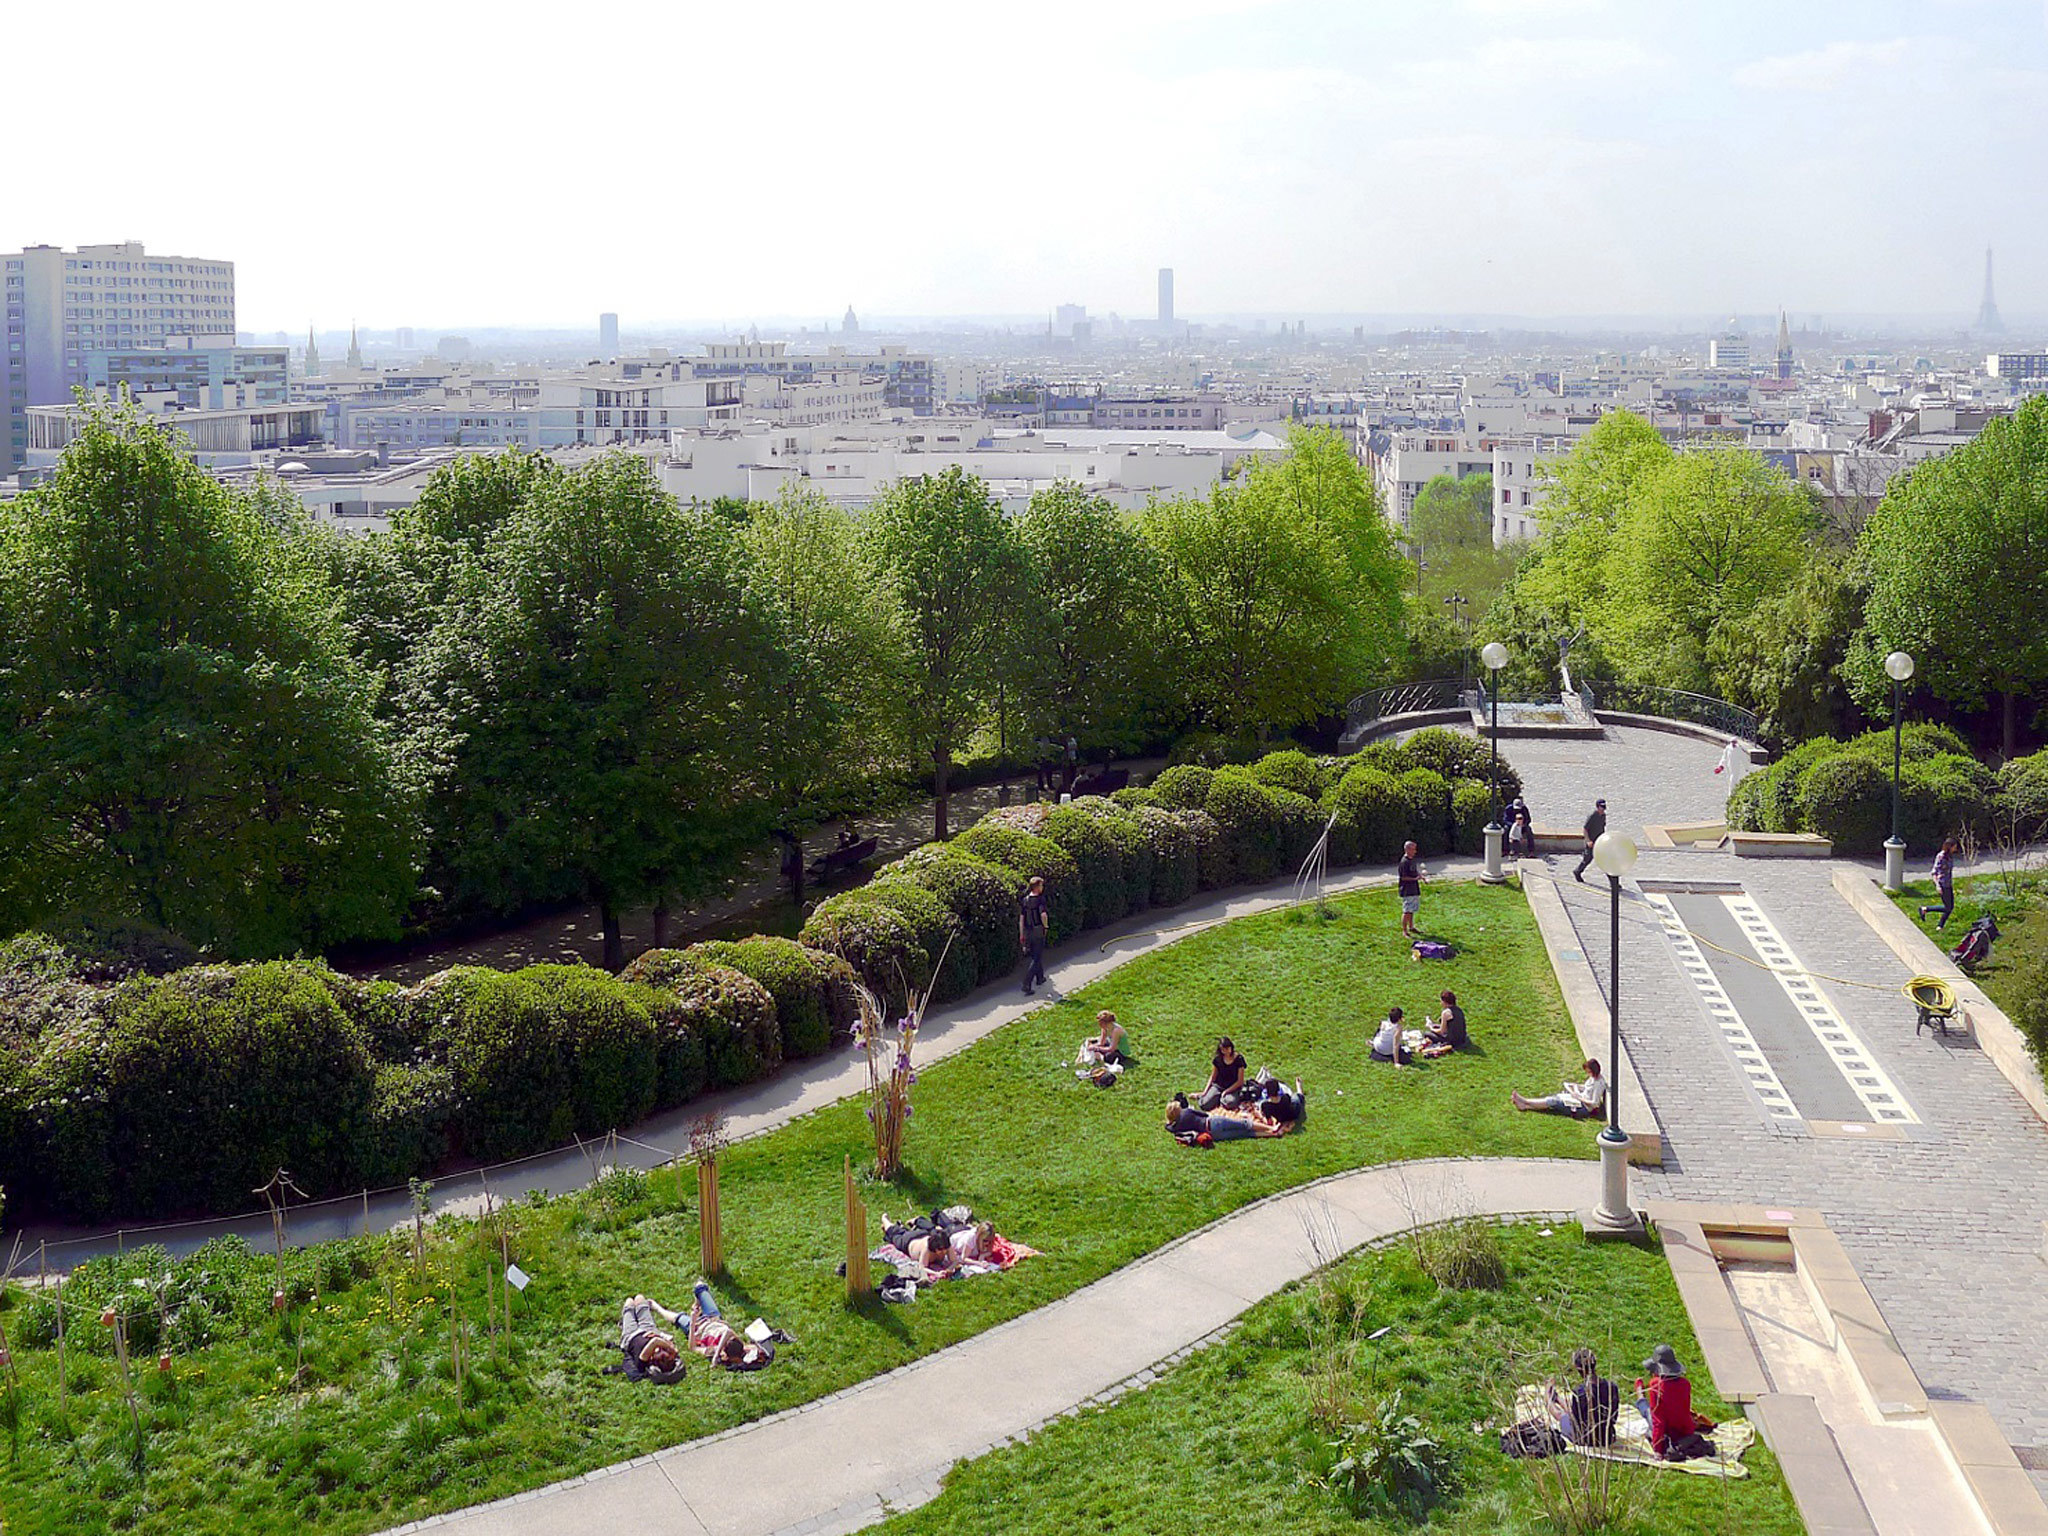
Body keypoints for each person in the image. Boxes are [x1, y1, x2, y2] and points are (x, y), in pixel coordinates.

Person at [1635, 1345, 1716, 1460]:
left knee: (1646, 1410)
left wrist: (1657, 1449)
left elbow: (1658, 1419)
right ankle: (1640, 1396)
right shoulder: (1685, 1383)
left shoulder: (1656, 1385)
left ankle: (1640, 1395)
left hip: (1667, 1432)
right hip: (1684, 1430)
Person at [1547, 1347, 1620, 1447]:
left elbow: (1574, 1421)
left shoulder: (1579, 1393)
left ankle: (1548, 1397)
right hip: (1607, 1437)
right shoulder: (1612, 1387)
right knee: (1571, 1412)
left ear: (1578, 1369)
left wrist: (1548, 1396)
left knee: (1562, 1416)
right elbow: (1614, 1416)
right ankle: (1557, 1398)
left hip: (1585, 1439)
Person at [687, 1277, 768, 1368]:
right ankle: (697, 1302)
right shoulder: (739, 1345)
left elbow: (693, 1348)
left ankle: (697, 1305)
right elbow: (728, 1332)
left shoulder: (712, 1350)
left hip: (698, 1328)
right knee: (700, 1287)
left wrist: (693, 1321)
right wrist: (716, 1355)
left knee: (675, 1317)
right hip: (713, 1317)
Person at [615, 1295, 687, 1383]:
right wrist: (670, 1349)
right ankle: (635, 1314)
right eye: (664, 1350)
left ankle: (625, 1322)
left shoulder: (642, 1363)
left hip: (631, 1334)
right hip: (649, 1329)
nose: (660, 1348)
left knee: (629, 1302)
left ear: (653, 1360)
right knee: (640, 1298)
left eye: (658, 1352)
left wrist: (667, 1346)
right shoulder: (664, 1352)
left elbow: (655, 1342)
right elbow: (658, 1343)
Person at [1512, 1059, 1608, 1117]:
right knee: (1557, 1097)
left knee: (1553, 1101)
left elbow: (1594, 1103)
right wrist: (1575, 1087)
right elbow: (1586, 1088)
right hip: (1578, 1099)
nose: (1588, 1074)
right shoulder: (1593, 1079)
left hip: (1583, 1107)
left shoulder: (1598, 1084)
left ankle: (1525, 1101)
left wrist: (1578, 1097)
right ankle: (1525, 1105)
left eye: (1589, 1072)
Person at [1019, 875, 1051, 994]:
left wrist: (1022, 934)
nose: (1042, 887)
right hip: (1038, 930)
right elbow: (1043, 915)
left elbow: (1021, 918)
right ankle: (1027, 983)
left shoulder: (1025, 900)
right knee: (1037, 957)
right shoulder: (1040, 899)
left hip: (1028, 931)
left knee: (1035, 954)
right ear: (1037, 887)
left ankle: (1040, 978)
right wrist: (1046, 926)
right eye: (1041, 885)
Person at [1920, 837, 1959, 931]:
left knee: (1950, 907)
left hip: (1948, 883)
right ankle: (1936, 921)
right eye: (1954, 847)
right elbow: (1934, 872)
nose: (1956, 849)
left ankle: (1937, 922)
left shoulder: (1950, 856)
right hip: (1942, 884)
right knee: (1948, 907)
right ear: (1950, 846)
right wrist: (1937, 885)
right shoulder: (1940, 856)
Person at [1199, 1037, 1247, 1109]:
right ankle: (1215, 1097)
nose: (1225, 1052)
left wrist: (1226, 1091)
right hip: (1219, 1086)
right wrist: (1205, 1091)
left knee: (1230, 1103)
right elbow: (1213, 1077)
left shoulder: (1239, 1060)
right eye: (1223, 1050)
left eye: (1227, 1049)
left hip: (1233, 1087)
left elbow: (1240, 1081)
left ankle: (1220, 1099)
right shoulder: (1218, 1059)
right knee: (1204, 1104)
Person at [1421, 989, 1468, 1056]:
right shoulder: (1458, 1010)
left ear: (1445, 1002)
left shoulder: (1446, 1013)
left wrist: (1430, 1027)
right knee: (1436, 1026)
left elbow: (1442, 1031)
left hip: (1451, 1040)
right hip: (1461, 1038)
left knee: (1426, 1033)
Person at [1573, 799, 1607, 883]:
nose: (1603, 809)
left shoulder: (1603, 816)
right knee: (1587, 859)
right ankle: (1577, 871)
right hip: (1591, 842)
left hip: (1599, 842)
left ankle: (1613, 882)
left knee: (1605, 861)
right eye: (1601, 807)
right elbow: (1585, 829)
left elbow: (1602, 827)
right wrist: (1588, 841)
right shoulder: (1593, 816)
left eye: (1604, 807)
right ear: (1597, 807)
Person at [1397, 840, 1424, 938]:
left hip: (1414, 888)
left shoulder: (1412, 859)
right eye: (1413, 849)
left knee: (1412, 909)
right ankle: (1404, 931)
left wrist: (1420, 876)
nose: (1415, 851)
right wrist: (1414, 879)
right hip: (1407, 889)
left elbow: (1414, 871)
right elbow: (1403, 877)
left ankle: (1411, 927)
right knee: (1407, 910)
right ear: (1407, 849)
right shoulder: (1404, 862)